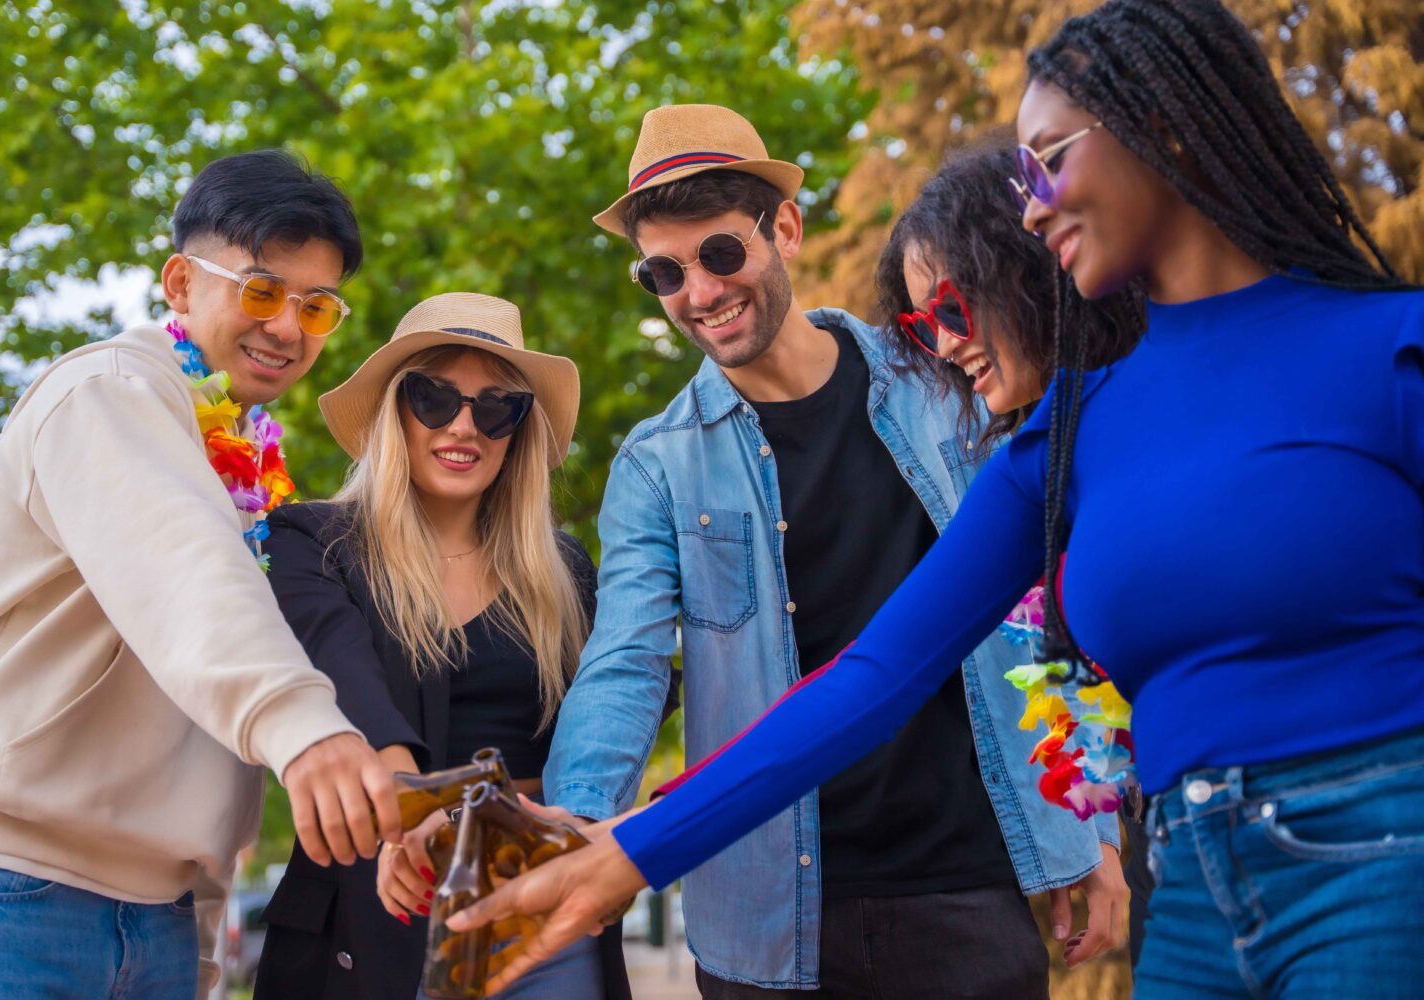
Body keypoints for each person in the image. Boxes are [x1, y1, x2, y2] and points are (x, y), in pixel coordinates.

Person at [451, 3, 1424, 998]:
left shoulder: (1387, 349)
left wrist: (1075, 835)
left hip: (1382, 849)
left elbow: (1024, 667)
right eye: (663, 272)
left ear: (1162, 128)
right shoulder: (1062, 441)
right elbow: (869, 675)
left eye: (1048, 161)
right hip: (1188, 895)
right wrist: (619, 848)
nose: (1033, 207)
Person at [541, 103, 1126, 999]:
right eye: (664, 271)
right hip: (765, 916)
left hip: (966, 885)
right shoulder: (655, 466)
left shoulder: (942, 373)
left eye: (720, 254)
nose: (698, 292)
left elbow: (1044, 606)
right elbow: (625, 664)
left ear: (785, 227)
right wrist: (581, 833)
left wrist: (1093, 825)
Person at [0, 149, 405, 999]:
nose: (289, 328)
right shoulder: (106, 392)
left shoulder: (249, 463)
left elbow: (201, 708)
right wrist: (306, 725)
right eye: (261, 290)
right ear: (181, 284)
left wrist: (201, 932)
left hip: (157, 921)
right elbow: (190, 578)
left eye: (318, 306)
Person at [251, 292, 633, 1000]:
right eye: (435, 399)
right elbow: (340, 667)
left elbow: (618, 705)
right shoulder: (312, 542)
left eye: (497, 408)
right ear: (397, 410)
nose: (465, 426)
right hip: (378, 906)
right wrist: (411, 811)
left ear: (519, 428)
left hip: (538, 900)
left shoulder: (564, 571)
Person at [875, 133, 1155, 966]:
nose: (946, 344)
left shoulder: (1165, 405)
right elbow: (878, 673)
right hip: (1186, 850)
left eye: (954, 310)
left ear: (1029, 267)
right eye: (921, 326)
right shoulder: (1035, 467)